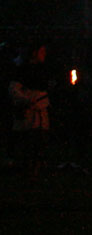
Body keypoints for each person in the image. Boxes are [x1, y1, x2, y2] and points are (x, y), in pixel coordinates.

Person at [8, 43, 52, 178]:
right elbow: (13, 90)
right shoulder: (23, 70)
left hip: (39, 114)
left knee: (39, 142)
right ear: (34, 53)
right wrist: (27, 101)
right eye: (41, 51)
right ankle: (25, 169)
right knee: (27, 142)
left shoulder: (44, 70)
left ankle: (36, 170)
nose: (44, 54)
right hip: (28, 114)